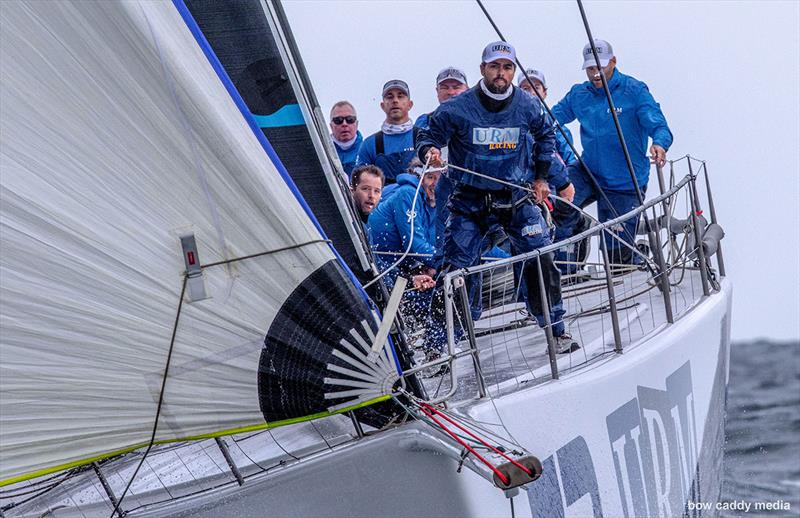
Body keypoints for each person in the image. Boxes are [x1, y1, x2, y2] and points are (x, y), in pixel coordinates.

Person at [416, 41, 579, 356]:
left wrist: (542, 178)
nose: (500, 73)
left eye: (507, 67)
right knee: (456, 269)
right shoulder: (457, 108)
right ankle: (439, 346)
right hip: (470, 202)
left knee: (540, 255)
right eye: (494, 66)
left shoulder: (528, 105)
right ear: (483, 69)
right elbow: (426, 134)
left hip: (516, 199)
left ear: (513, 71)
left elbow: (546, 136)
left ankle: (556, 329)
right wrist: (429, 151)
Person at [552, 39, 673, 263]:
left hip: (625, 183)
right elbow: (551, 118)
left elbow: (659, 126)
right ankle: (564, 263)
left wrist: (660, 144)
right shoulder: (579, 94)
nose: (595, 73)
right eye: (590, 68)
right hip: (589, 172)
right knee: (557, 203)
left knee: (616, 257)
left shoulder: (635, 91)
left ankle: (637, 258)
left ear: (614, 62)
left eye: (601, 66)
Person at [518, 68, 591, 275]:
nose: (530, 92)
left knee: (564, 222)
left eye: (535, 87)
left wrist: (564, 184)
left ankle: (565, 271)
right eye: (524, 88)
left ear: (544, 92)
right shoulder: (516, 122)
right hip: (527, 191)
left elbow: (568, 160)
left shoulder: (557, 127)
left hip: (553, 192)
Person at [350, 164, 436, 292]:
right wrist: (443, 263)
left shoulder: (434, 203)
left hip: (389, 270)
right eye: (365, 189)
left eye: (377, 191)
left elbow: (377, 265)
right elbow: (414, 245)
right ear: (352, 190)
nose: (371, 195)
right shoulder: (408, 193)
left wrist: (410, 280)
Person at [355, 80, 417, 184]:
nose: (395, 101)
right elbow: (358, 183)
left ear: (410, 104)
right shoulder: (369, 145)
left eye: (400, 96)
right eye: (390, 97)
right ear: (382, 106)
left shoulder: (424, 139)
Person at [330, 101, 363, 178]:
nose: (344, 124)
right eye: (338, 120)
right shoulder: (322, 151)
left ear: (356, 124)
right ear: (331, 126)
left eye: (350, 119)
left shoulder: (367, 151)